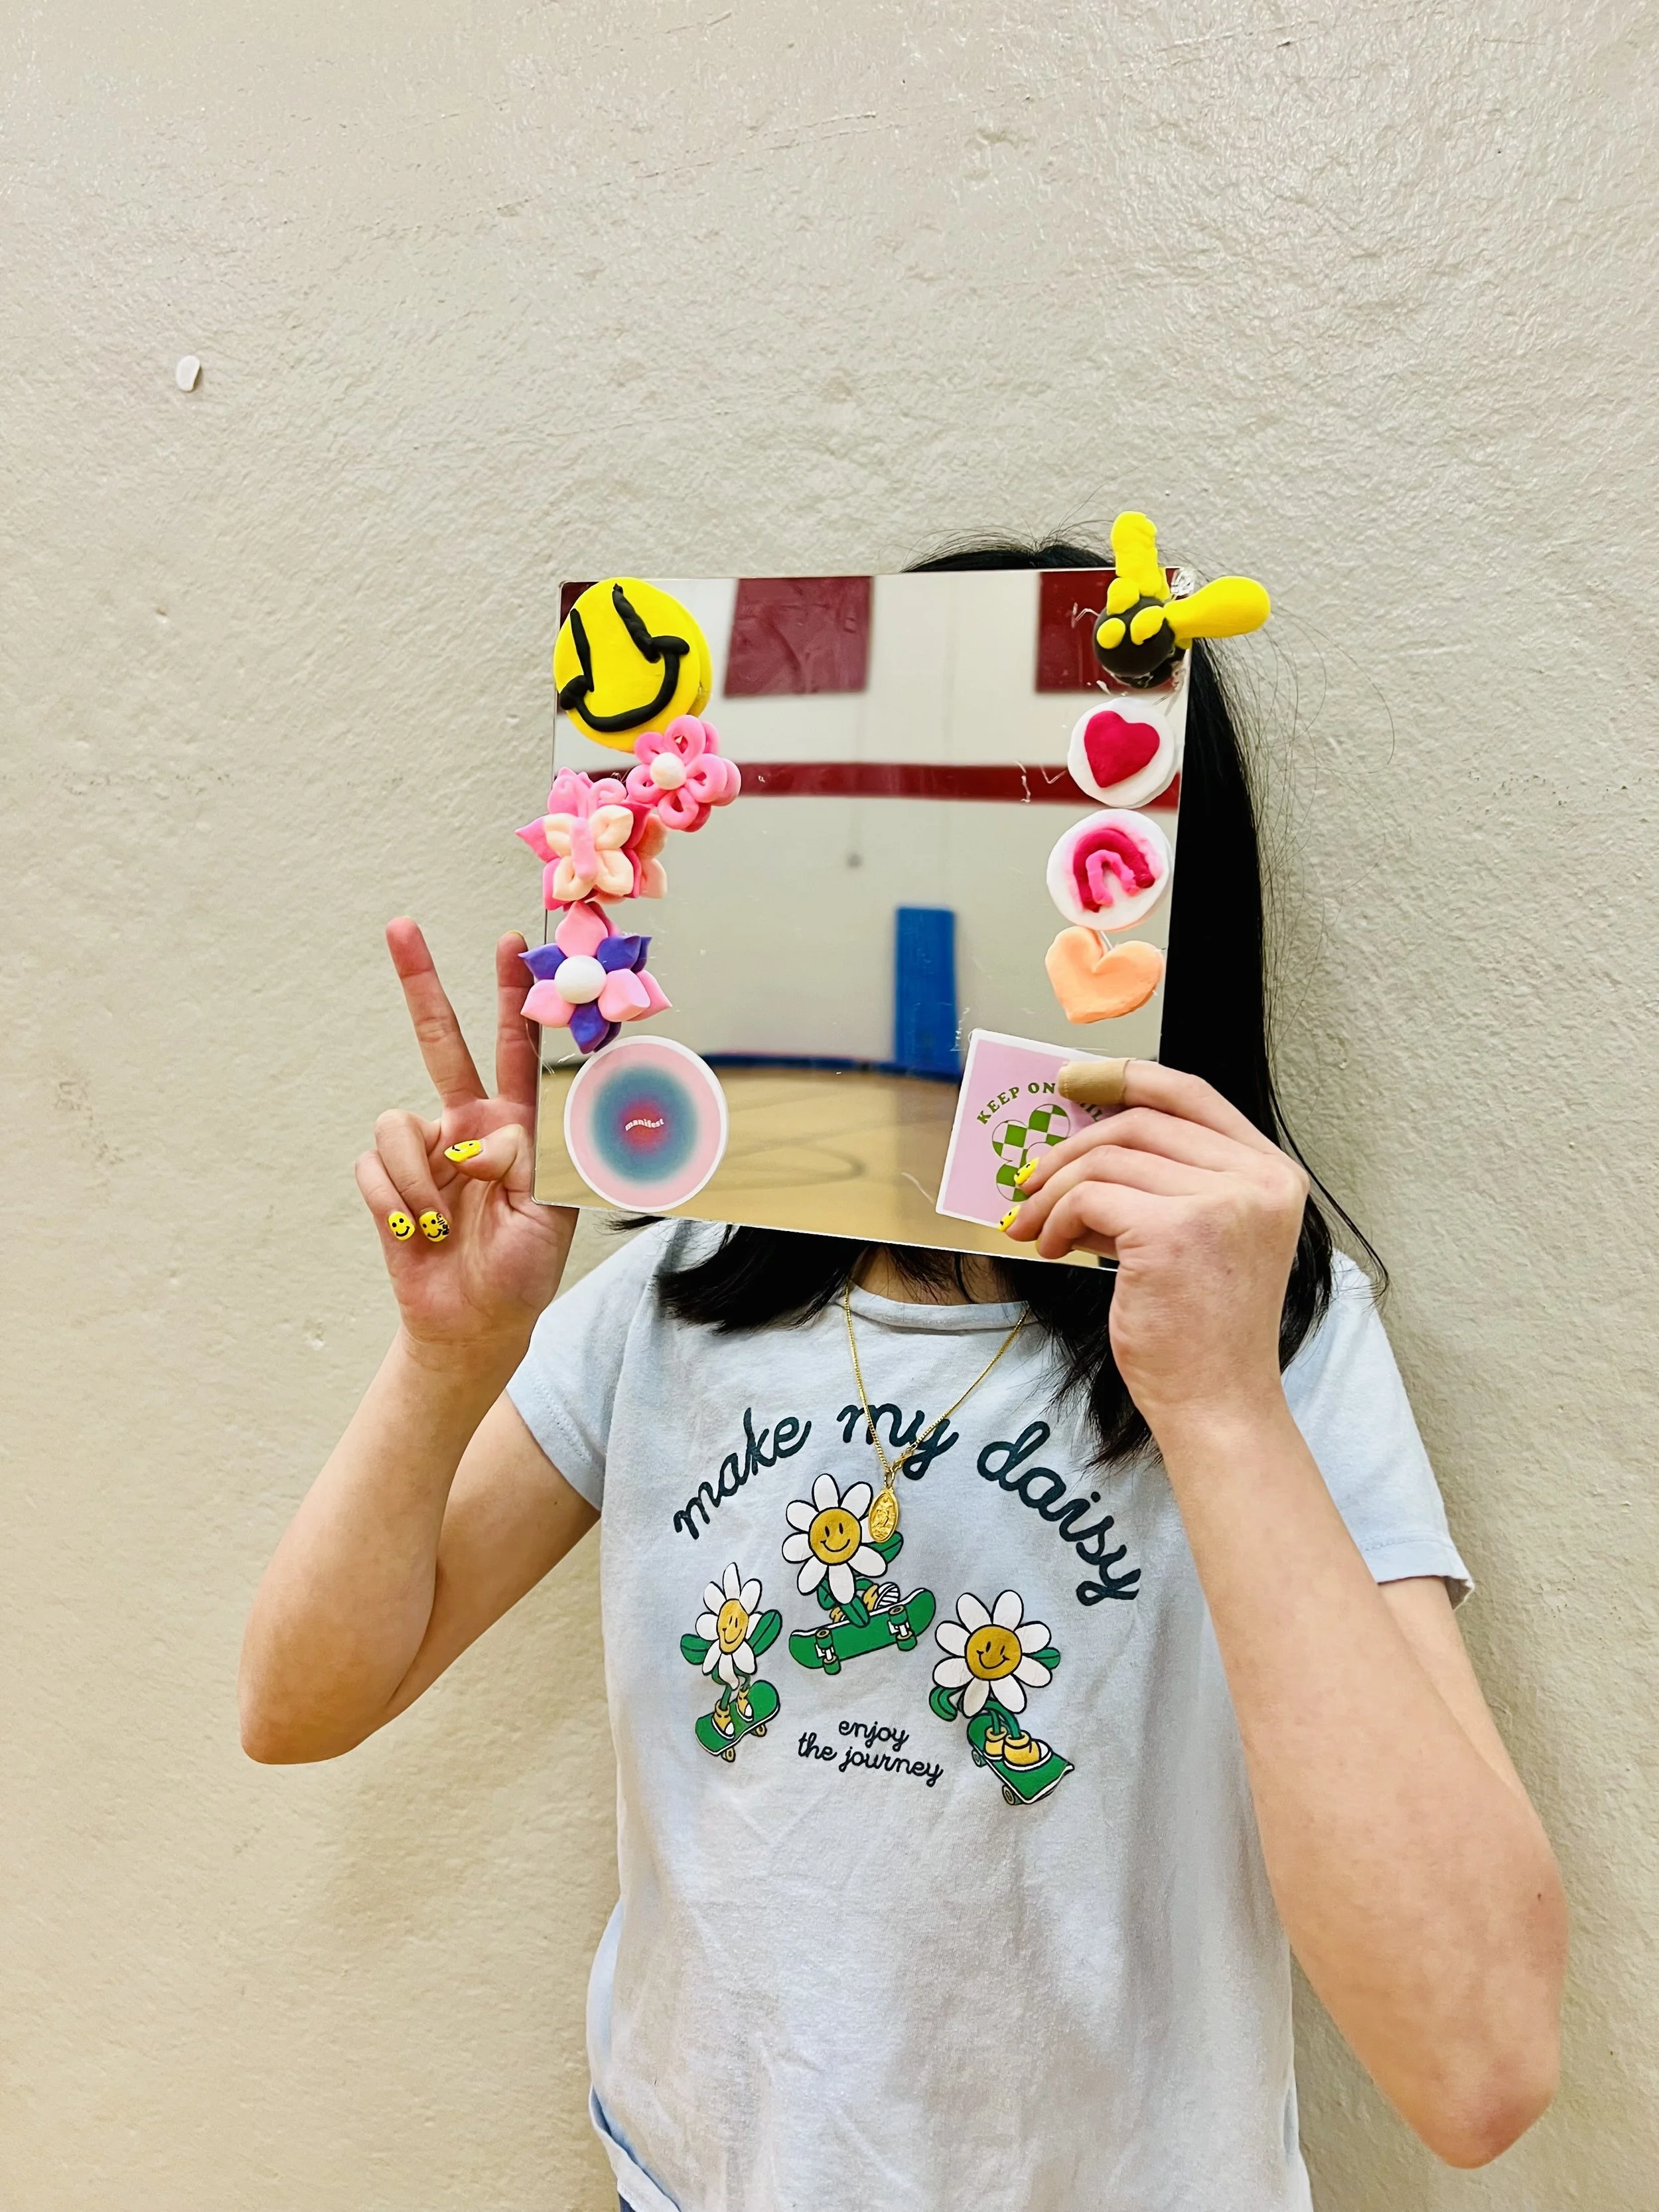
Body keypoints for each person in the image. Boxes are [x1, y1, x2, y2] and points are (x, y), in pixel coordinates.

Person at [240, 544, 1566, 2212]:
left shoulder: (1277, 1335)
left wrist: (1217, 1398)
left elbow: (1478, 2067)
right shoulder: (674, 1292)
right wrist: (447, 1362)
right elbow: (298, 1704)